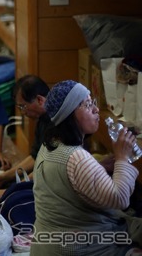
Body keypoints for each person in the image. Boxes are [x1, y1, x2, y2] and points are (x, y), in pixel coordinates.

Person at [31, 80, 142, 255]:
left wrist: (98, 166)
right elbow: (120, 199)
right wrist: (121, 158)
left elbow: (69, 179)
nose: (96, 110)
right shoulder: (76, 157)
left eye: (94, 102)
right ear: (69, 115)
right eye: (87, 105)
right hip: (81, 249)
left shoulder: (50, 145)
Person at [0, 75, 49, 194]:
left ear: (40, 100)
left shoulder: (57, 124)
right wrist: (3, 177)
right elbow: (35, 157)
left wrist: (10, 191)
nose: (22, 112)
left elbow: (46, 169)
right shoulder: (43, 120)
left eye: (23, 106)